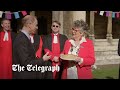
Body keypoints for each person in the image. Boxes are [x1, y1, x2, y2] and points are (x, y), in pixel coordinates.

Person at [12, 15, 51, 79]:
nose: (37, 27)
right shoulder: (21, 39)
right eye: (36, 25)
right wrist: (42, 59)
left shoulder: (25, 37)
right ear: (29, 24)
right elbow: (26, 64)